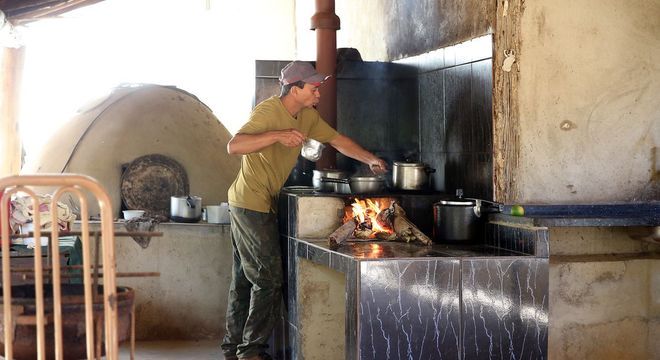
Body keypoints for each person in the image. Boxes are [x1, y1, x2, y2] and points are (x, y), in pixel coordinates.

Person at [221, 61, 387, 360]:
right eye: (313, 88)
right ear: (295, 89)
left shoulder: (307, 116)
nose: (318, 93)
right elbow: (235, 146)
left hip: (257, 202)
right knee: (268, 278)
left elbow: (337, 140)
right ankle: (251, 352)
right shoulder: (269, 111)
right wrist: (277, 135)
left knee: (246, 279)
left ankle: (233, 349)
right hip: (249, 203)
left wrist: (370, 158)